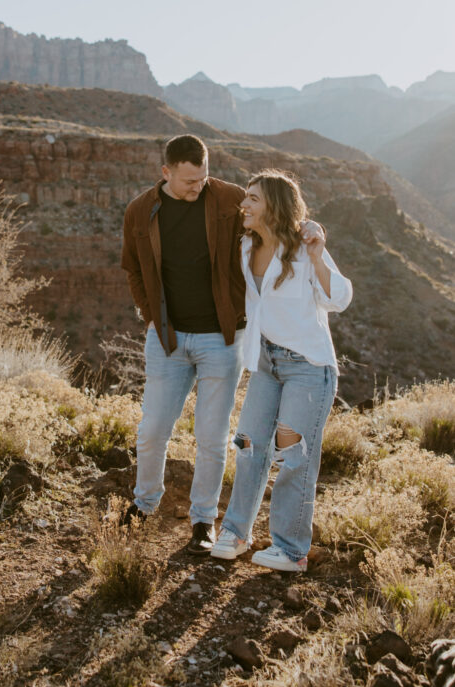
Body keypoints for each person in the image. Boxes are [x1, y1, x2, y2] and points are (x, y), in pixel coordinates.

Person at [210, 169, 353, 572]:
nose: (245, 205)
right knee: (249, 447)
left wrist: (319, 250)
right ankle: (236, 533)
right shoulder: (244, 247)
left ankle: (291, 550)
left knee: (294, 456)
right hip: (266, 365)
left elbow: (339, 298)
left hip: (307, 369)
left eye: (253, 198)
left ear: (273, 204)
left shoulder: (304, 248)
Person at [120, 134, 247, 553]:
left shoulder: (230, 199)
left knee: (211, 437)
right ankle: (144, 504)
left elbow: (272, 227)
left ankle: (203, 522)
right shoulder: (140, 210)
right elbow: (133, 268)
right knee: (153, 429)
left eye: (203, 178)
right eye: (189, 181)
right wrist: (152, 316)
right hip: (168, 338)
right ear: (166, 172)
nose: (198, 188)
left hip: (222, 340)